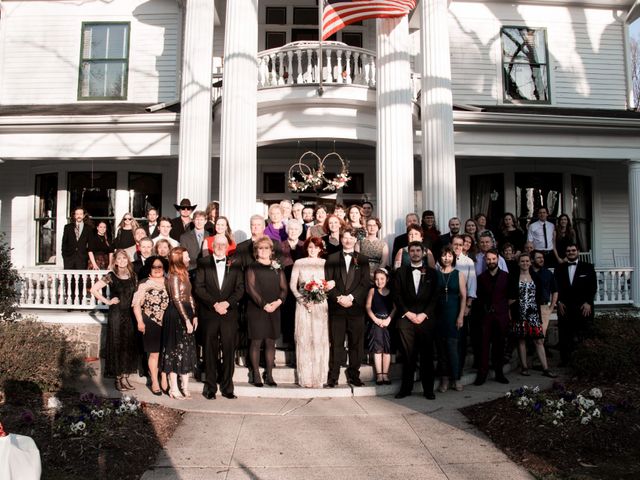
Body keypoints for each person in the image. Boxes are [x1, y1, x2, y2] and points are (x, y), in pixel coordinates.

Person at [193, 235, 245, 399]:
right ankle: (210, 388)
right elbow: (199, 288)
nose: (220, 246)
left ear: (227, 246)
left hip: (229, 314)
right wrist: (215, 304)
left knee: (229, 349)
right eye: (218, 244)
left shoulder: (235, 264)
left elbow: (240, 288)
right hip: (210, 313)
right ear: (212, 245)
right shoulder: (203, 263)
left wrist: (227, 304)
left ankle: (228, 387)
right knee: (209, 350)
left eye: (224, 244)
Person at [324, 227, 371, 388]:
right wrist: (339, 298)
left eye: (351, 237)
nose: (348, 240)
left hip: (355, 308)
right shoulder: (331, 258)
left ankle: (354, 375)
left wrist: (351, 298)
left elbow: (365, 283)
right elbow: (328, 282)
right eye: (345, 237)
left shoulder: (363, 259)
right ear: (341, 238)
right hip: (337, 308)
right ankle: (333, 377)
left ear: (355, 240)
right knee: (336, 343)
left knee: (356, 344)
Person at [393, 241, 438, 399]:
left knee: (426, 356)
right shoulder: (400, 272)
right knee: (407, 356)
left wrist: (424, 314)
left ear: (423, 252)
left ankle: (428, 390)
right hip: (406, 319)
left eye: (418, 250)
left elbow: (435, 297)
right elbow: (397, 296)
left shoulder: (432, 273)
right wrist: (409, 314)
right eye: (412, 250)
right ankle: (406, 389)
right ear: (408, 253)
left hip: (426, 319)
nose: (415, 253)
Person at [90, 249, 138, 391]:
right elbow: (93, 289)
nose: (122, 261)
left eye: (124, 258)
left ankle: (125, 377)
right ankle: (118, 379)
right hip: (116, 313)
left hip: (129, 314)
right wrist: (108, 301)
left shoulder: (133, 275)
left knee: (127, 344)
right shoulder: (111, 276)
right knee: (117, 344)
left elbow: (136, 295)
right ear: (115, 261)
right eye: (119, 259)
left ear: (127, 260)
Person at [289, 237, 334, 388]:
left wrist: (324, 287)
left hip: (320, 304)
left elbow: (332, 281)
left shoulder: (325, 263)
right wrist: (303, 300)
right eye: (310, 247)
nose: (312, 250)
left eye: (315, 247)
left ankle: (319, 377)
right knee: (304, 339)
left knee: (319, 340)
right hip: (303, 305)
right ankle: (305, 377)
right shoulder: (299, 263)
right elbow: (293, 285)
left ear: (320, 249)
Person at [245, 236, 288, 387]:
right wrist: (264, 304)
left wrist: (277, 302)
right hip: (257, 309)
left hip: (274, 309)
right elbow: (250, 289)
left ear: (271, 251)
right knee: (256, 341)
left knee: (271, 342)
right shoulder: (252, 267)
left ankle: (269, 374)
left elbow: (284, 289)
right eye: (260, 248)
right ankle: (256, 373)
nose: (263, 251)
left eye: (266, 248)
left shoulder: (277, 267)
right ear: (256, 251)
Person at [508, 253, 557, 378]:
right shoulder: (513, 277)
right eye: (522, 261)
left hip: (533, 312)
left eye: (527, 261)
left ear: (530, 262)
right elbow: (509, 297)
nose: (525, 263)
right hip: (519, 312)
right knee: (521, 340)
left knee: (539, 340)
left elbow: (540, 295)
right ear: (518, 263)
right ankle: (524, 367)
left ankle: (545, 368)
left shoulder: (535, 277)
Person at [162, 247, 198, 399]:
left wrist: (194, 315)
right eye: (186, 256)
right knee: (175, 350)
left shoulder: (185, 274)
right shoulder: (173, 276)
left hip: (187, 312)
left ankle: (185, 386)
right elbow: (176, 299)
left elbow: (189, 296)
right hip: (176, 314)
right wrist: (186, 320)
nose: (189, 258)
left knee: (186, 350)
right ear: (178, 259)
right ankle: (173, 388)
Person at [132, 255, 170, 396]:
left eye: (160, 266)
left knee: (166, 353)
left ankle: (164, 378)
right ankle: (154, 381)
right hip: (150, 321)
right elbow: (136, 305)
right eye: (154, 267)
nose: (157, 269)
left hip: (168, 323)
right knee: (154, 354)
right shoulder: (144, 284)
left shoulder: (169, 282)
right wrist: (140, 321)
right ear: (149, 268)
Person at [554, 243, 597, 366]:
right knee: (564, 334)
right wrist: (559, 301)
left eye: (573, 250)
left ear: (578, 251)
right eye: (568, 251)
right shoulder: (559, 268)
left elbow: (593, 287)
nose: (571, 252)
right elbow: (556, 287)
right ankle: (565, 361)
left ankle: (585, 361)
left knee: (584, 333)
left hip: (583, 307)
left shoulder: (588, 267)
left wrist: (588, 302)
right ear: (565, 253)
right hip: (565, 306)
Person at [474, 249, 510, 386]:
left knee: (499, 345)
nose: (491, 262)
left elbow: (510, 297)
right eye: (488, 259)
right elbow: (478, 298)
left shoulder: (506, 276)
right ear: (485, 261)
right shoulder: (481, 278)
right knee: (483, 346)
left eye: (493, 259)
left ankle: (499, 373)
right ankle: (482, 374)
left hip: (501, 316)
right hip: (485, 317)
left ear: (498, 259)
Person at [435, 246, 467, 393]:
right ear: (440, 258)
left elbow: (463, 296)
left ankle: (456, 378)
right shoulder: (436, 274)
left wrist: (461, 316)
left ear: (453, 257)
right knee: (441, 348)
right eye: (444, 255)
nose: (446, 258)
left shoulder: (458, 274)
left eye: (449, 255)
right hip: (439, 316)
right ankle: (444, 380)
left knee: (453, 348)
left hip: (454, 315)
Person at [450, 235, 476, 381]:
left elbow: (472, 285)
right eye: (455, 244)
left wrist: (468, 306)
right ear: (451, 244)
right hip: (447, 305)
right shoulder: (444, 260)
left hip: (462, 304)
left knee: (460, 341)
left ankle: (458, 373)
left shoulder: (468, 262)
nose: (458, 247)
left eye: (461, 244)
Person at [365, 268, 395, 386]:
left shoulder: (391, 292)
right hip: (376, 322)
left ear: (387, 279)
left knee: (387, 350)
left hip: (387, 323)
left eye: (382, 279)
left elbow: (395, 307)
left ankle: (385, 374)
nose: (379, 281)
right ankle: (379, 375)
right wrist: (375, 320)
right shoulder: (372, 291)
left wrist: (388, 319)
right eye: (376, 279)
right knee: (377, 349)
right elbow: (368, 307)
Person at [531, 250, 558, 337]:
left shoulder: (548, 273)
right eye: (538, 258)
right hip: (528, 307)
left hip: (543, 308)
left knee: (540, 337)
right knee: (528, 337)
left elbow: (555, 291)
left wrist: (551, 308)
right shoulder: (526, 273)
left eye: (542, 257)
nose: (541, 259)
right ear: (532, 260)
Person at [179, 210, 209, 278]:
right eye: (197, 219)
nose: (199, 222)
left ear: (205, 221)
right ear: (193, 221)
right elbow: (183, 256)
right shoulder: (184, 237)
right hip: (190, 271)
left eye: (201, 219)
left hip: (206, 271)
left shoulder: (210, 236)